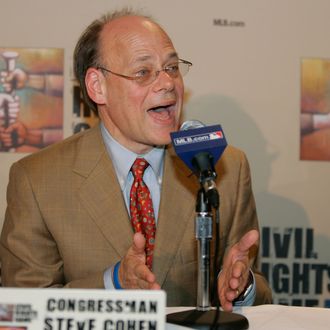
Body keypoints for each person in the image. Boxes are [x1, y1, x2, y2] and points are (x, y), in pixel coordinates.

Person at [0, 8, 272, 311]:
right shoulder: (38, 180)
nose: (168, 83)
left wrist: (243, 287)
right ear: (97, 86)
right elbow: (22, 308)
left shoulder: (223, 167)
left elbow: (260, 293)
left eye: (172, 67)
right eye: (143, 72)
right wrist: (112, 282)